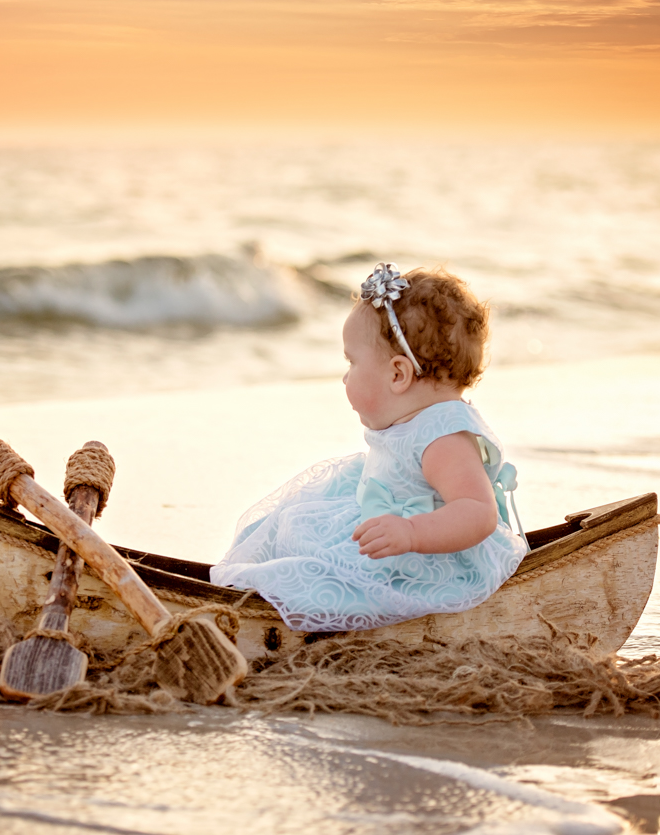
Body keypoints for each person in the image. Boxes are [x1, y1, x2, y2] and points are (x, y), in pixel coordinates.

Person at [210, 262, 527, 632]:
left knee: (324, 567)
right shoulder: (416, 422)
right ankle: (260, 586)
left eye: (352, 362)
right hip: (384, 523)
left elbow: (477, 512)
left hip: (427, 555)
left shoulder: (442, 438)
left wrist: (412, 533)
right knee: (287, 523)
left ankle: (293, 611)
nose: (345, 375)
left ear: (398, 374)